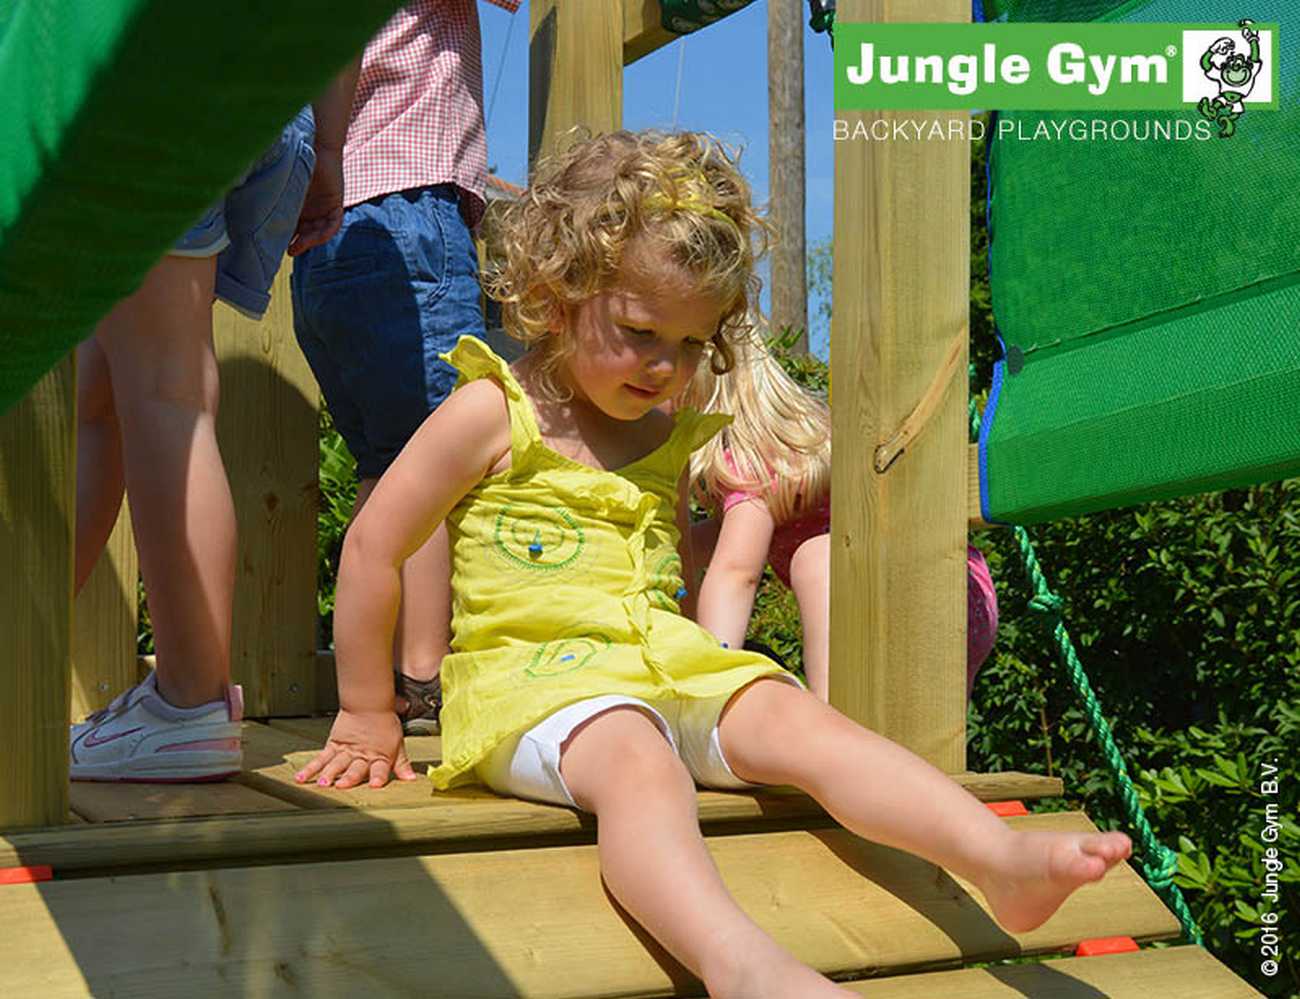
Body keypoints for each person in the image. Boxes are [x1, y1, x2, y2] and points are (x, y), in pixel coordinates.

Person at [294, 130, 1131, 999]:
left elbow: (681, 571)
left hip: (664, 666)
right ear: (555, 291)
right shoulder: (488, 411)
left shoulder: (663, 432)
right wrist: (365, 709)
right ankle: (742, 963)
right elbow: (375, 544)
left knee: (799, 717)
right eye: (642, 332)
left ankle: (994, 856)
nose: (667, 366)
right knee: (637, 761)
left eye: (693, 344)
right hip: (533, 686)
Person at [69, 67, 360, 782]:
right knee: (99, 392)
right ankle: (25, 643)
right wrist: (326, 148)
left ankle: (188, 704)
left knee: (165, 393)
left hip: (149, 82)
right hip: (269, 106)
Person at [291, 0, 520, 735]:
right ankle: (425, 676)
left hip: (328, 234)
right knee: (436, 463)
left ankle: (380, 671)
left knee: (384, 466)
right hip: (408, 215)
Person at [679, 332, 999, 700]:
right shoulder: (786, 451)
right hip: (961, 595)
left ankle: (831, 718)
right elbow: (719, 541)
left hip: (934, 594)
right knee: (910, 736)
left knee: (819, 559)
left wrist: (706, 687)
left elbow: (735, 572)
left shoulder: (750, 460)